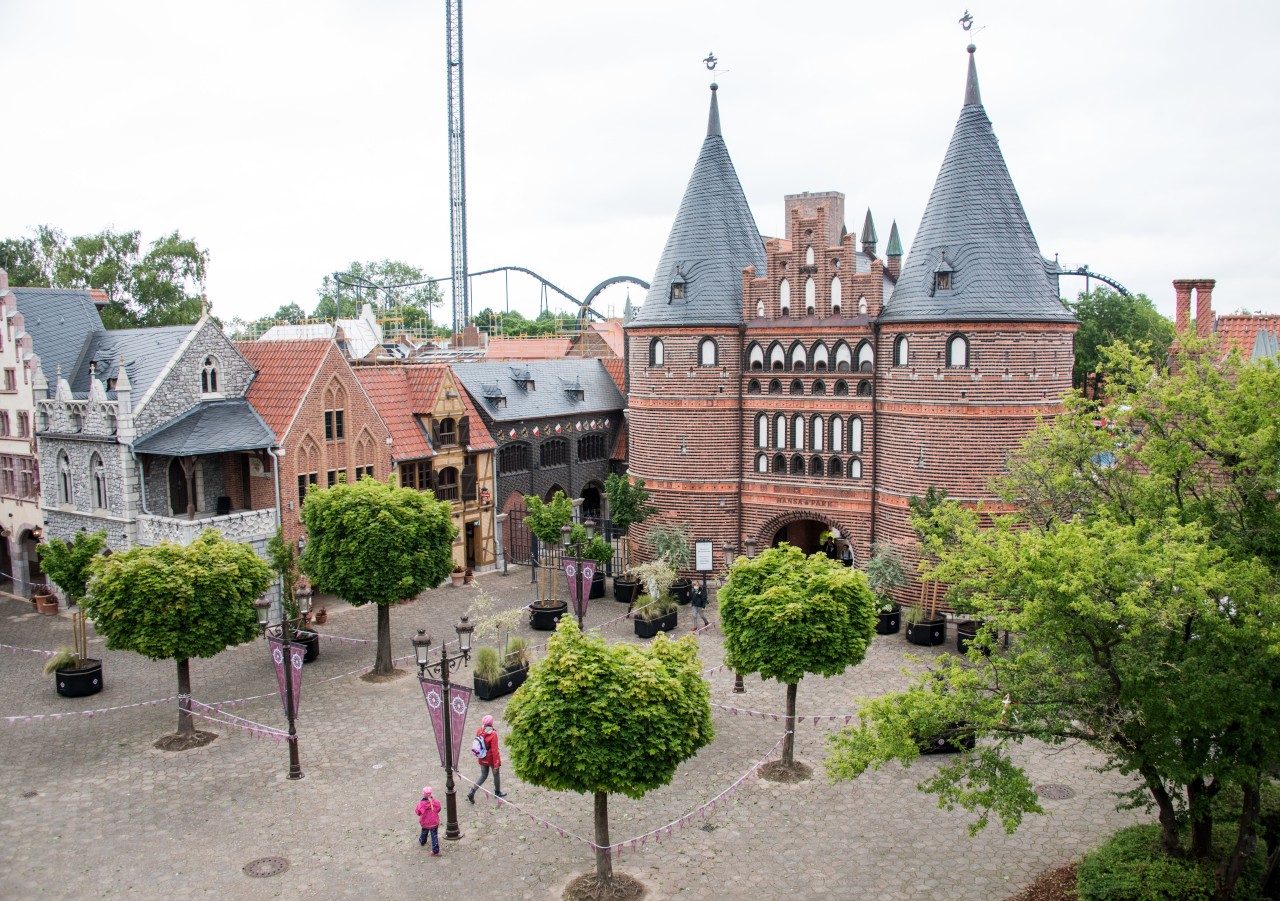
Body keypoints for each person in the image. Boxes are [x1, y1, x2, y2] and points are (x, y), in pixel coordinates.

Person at [467, 714, 504, 802]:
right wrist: (496, 765)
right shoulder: (493, 734)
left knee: (483, 776)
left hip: (482, 757)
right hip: (491, 758)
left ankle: (472, 790)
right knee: (496, 774)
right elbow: (495, 751)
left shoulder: (479, 730)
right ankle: (497, 792)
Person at [415, 786, 442, 855]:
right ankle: (435, 850)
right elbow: (439, 808)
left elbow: (418, 812)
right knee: (434, 835)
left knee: (424, 831)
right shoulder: (435, 802)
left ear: (423, 793)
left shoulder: (421, 804)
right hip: (434, 822)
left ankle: (422, 841)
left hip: (425, 822)